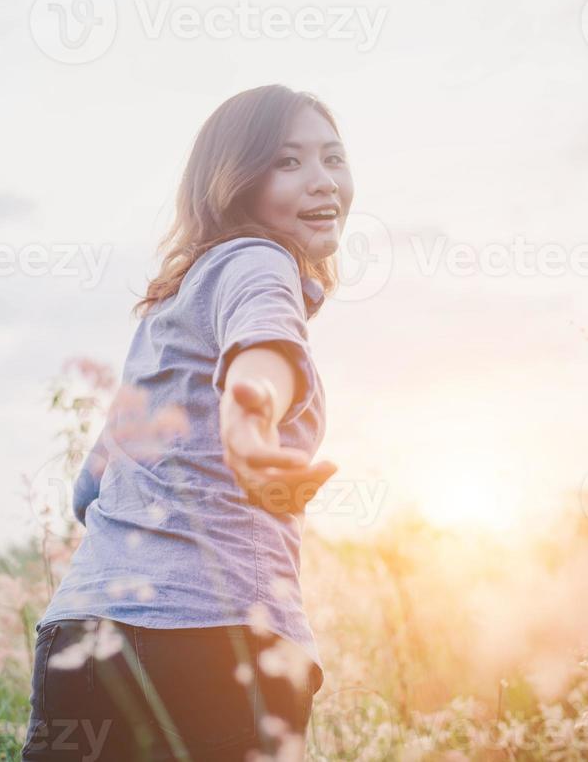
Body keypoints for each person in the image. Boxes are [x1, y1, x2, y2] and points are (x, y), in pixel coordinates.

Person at [21, 83, 355, 761]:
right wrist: (249, 428)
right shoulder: (261, 263)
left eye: (332, 158)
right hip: (220, 638)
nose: (322, 182)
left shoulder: (168, 313)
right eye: (287, 163)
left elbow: (92, 489)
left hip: (86, 633)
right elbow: (260, 360)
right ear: (233, 183)